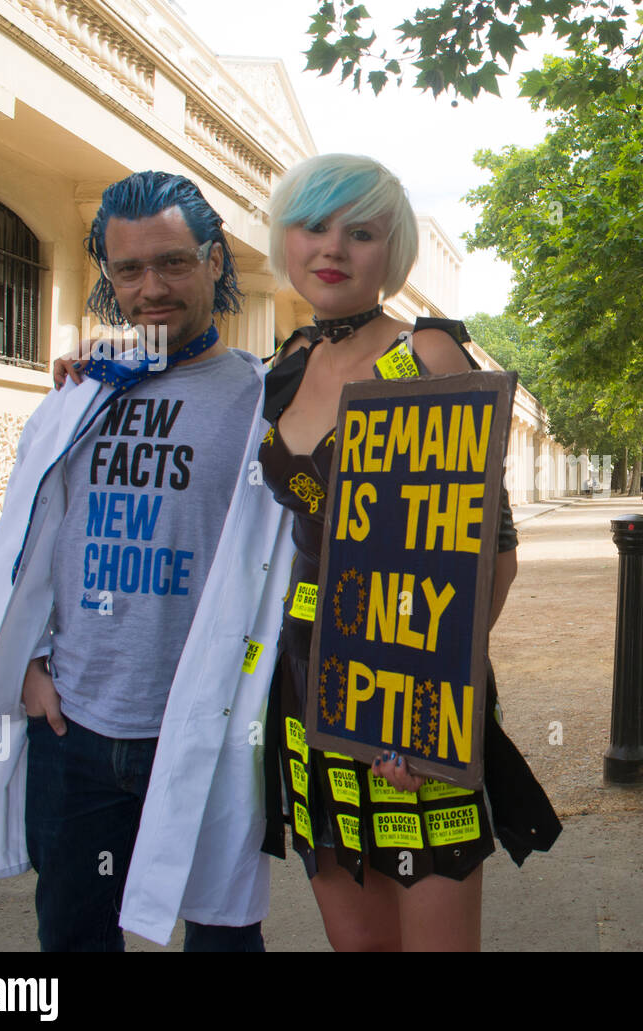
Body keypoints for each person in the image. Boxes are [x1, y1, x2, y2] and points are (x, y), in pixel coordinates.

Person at [0, 171, 292, 950]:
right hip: (77, 731)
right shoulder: (80, 395)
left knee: (222, 934)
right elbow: (21, 546)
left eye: (174, 263)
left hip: (205, 726)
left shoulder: (265, 400)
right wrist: (24, 661)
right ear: (108, 276)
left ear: (216, 261)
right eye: (128, 269)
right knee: (76, 935)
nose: (150, 288)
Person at [254, 154, 559, 951]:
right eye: (313, 225)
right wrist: (97, 372)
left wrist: (424, 711)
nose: (333, 248)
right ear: (284, 237)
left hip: (411, 705)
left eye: (361, 232)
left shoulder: (426, 355)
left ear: (392, 252)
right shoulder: (284, 370)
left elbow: (493, 553)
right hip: (303, 695)